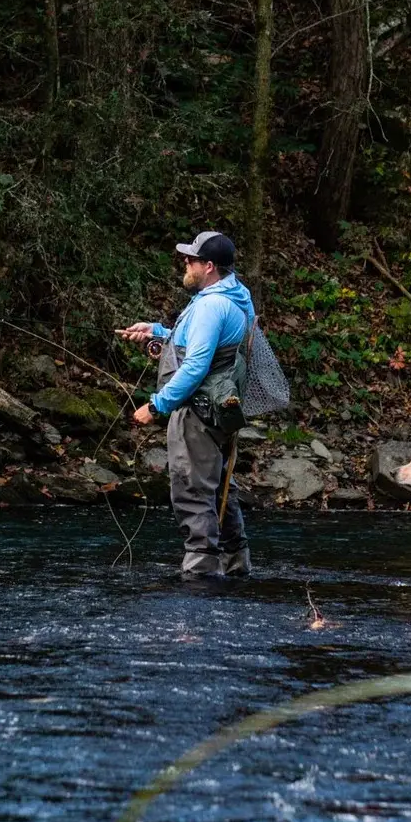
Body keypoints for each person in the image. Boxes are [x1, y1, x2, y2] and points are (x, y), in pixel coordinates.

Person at [117, 231, 256, 578]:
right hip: (221, 413)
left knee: (193, 489)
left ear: (208, 267)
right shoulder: (236, 297)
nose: (185, 263)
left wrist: (157, 405)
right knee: (221, 487)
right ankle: (236, 566)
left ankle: (199, 575)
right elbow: (210, 344)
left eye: (191, 259)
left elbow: (195, 365)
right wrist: (158, 332)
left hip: (198, 412)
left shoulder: (211, 305)